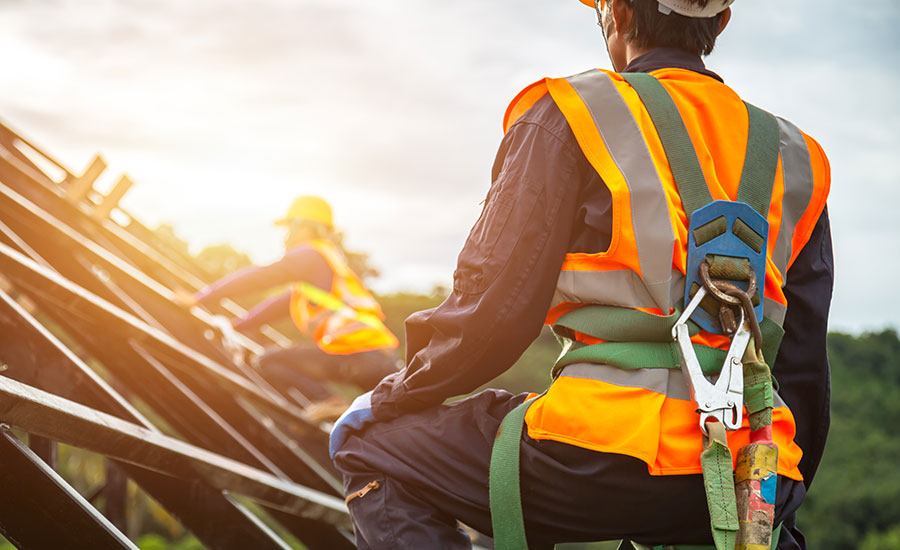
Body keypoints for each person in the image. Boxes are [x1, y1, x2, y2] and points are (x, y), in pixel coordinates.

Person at [329, 0, 832, 549]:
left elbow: (491, 315)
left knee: (375, 450)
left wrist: (389, 399)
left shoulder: (570, 112)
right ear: (722, 20)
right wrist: (780, 489)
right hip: (755, 476)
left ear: (615, 11)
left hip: (602, 455)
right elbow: (803, 366)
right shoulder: (797, 156)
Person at [193, 196, 400, 407]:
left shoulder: (310, 254)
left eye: (288, 227)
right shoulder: (322, 272)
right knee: (386, 421)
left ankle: (328, 401)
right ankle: (332, 407)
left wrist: (199, 298)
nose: (285, 236)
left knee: (269, 361)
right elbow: (272, 309)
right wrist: (235, 327)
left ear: (303, 227)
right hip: (381, 358)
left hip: (355, 354)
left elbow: (259, 277)